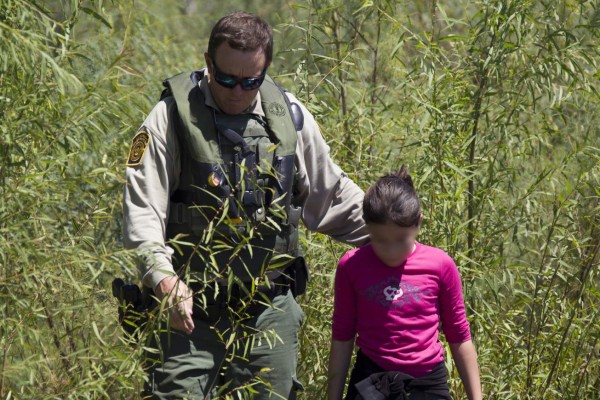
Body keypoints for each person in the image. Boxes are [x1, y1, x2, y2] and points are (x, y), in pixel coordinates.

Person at [122, 11, 368, 400]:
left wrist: (395, 233)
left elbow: (332, 195)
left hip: (267, 309)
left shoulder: (288, 116)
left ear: (265, 70)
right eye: (226, 79)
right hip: (190, 312)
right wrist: (164, 280)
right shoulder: (168, 119)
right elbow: (142, 213)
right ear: (208, 62)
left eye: (251, 82)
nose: (237, 91)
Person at [327, 166, 482, 400]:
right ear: (366, 226)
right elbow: (342, 336)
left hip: (428, 383)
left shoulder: (440, 265)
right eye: (380, 240)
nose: (391, 251)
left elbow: (459, 336)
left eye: (401, 240)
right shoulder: (351, 266)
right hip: (371, 383)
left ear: (418, 222)